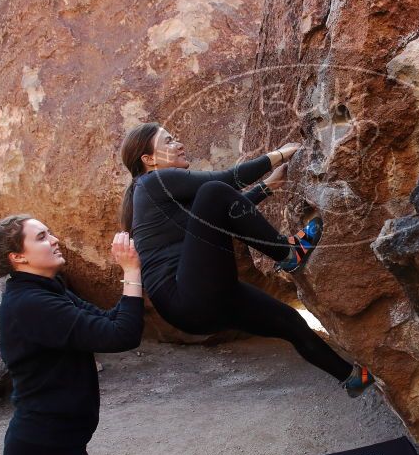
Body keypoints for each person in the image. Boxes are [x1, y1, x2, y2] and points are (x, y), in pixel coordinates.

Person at [119, 122, 375, 396]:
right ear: (149, 160)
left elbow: (225, 215)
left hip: (196, 306)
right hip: (186, 294)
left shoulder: (158, 194)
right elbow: (225, 182)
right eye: (168, 142)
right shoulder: (153, 182)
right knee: (212, 191)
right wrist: (280, 153)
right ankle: (288, 253)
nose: (179, 144)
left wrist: (266, 187)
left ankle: (352, 378)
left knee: (288, 320)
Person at [0, 215, 144, 455]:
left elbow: (109, 322)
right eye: (41, 237)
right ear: (18, 257)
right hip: (47, 451)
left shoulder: (49, 291)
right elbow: (122, 336)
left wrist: (134, 273)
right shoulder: (31, 303)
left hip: (47, 448)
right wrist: (131, 271)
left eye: (49, 233)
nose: (54, 240)